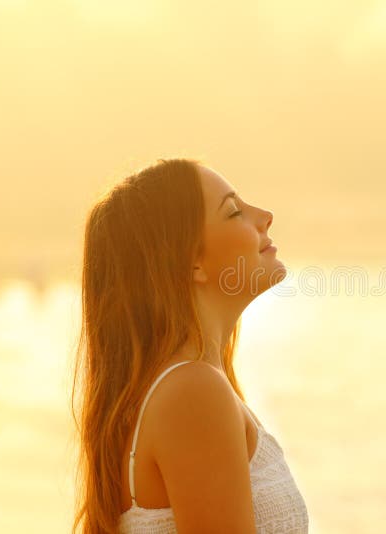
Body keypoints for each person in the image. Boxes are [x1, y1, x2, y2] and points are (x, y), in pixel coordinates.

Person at [71, 157, 308, 533]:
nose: (265, 215)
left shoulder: (185, 385)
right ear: (192, 262)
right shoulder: (193, 391)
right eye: (234, 212)